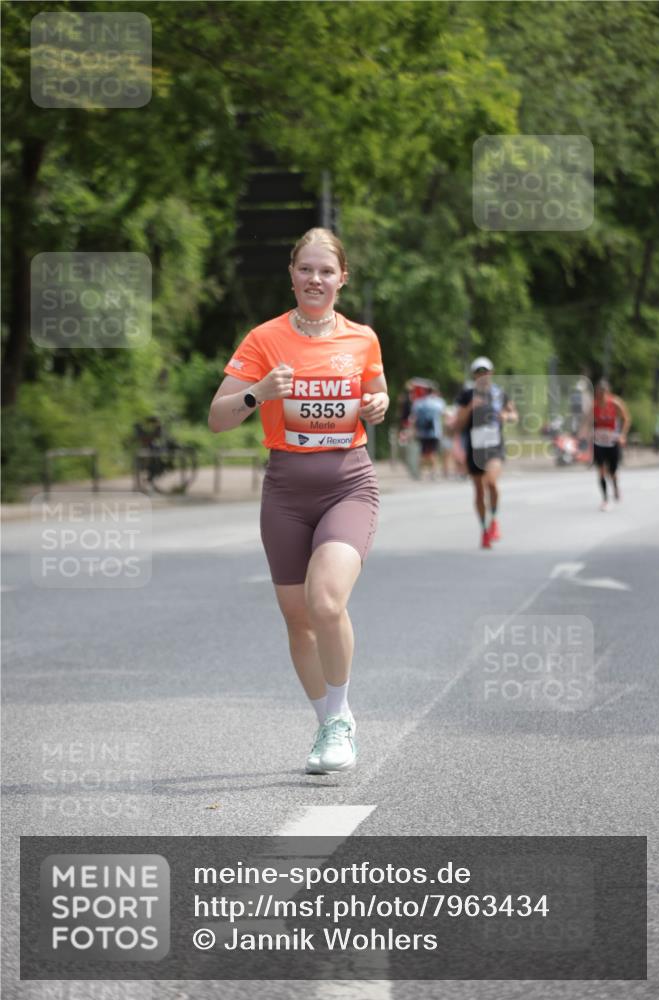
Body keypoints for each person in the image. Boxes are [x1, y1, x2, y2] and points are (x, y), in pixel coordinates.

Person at [208, 228, 389, 774]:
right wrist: (258, 392)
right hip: (285, 490)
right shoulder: (263, 339)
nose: (315, 279)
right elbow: (217, 419)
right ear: (291, 274)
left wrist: (378, 404)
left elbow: (374, 394)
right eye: (306, 269)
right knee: (297, 620)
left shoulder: (363, 339)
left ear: (343, 278)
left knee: (326, 601)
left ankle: (338, 723)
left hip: (347, 483)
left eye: (326, 270)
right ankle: (330, 720)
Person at [452, 357, 517, 548]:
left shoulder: (499, 394)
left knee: (492, 483)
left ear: (491, 373)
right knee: (479, 491)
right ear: (474, 375)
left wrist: (506, 415)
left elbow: (514, 414)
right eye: (479, 372)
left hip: (494, 445)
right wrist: (470, 407)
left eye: (486, 371)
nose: (483, 375)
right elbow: (458, 423)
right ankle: (484, 530)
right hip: (474, 447)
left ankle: (494, 520)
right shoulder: (466, 395)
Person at [584, 378, 631, 510]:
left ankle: (615, 487)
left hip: (613, 442)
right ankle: (605, 500)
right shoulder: (594, 405)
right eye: (599, 393)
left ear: (608, 392)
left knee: (613, 472)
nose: (601, 396)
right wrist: (587, 434)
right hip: (599, 442)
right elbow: (587, 421)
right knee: (601, 471)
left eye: (603, 393)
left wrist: (622, 435)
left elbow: (627, 418)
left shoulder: (615, 403)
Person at [410, 386, 446, 479]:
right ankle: (433, 473)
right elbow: (443, 414)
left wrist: (413, 430)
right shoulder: (438, 402)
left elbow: (414, 418)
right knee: (433, 452)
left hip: (422, 432)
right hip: (435, 432)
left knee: (422, 452)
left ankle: (420, 473)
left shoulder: (418, 403)